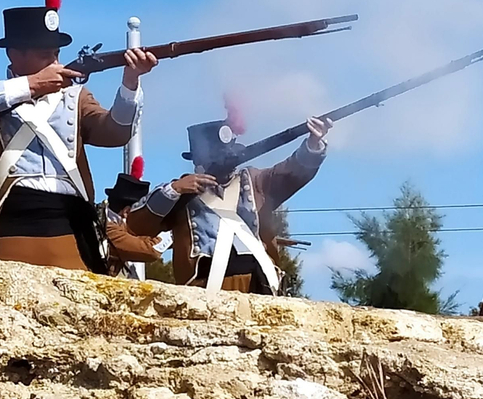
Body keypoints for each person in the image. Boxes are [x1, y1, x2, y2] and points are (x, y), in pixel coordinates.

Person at [0, 0, 155, 271]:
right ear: (14, 53)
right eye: (45, 54)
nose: (55, 61)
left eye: (56, 53)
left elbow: (115, 132)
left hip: (72, 227)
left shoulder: (76, 98)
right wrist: (31, 85)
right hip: (12, 225)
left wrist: (130, 84)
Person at [128, 114, 332, 293]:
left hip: (258, 285)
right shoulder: (182, 191)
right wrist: (174, 190)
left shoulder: (254, 181)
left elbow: (290, 172)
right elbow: (137, 225)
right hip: (204, 288)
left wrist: (312, 145)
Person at [100, 157, 167, 279]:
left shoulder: (110, 223)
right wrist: (172, 231)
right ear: (127, 211)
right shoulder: (108, 228)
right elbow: (150, 251)